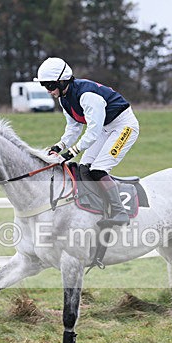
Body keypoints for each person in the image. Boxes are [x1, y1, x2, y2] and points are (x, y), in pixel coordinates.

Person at [34, 57, 139, 227]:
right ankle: (98, 208)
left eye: (50, 86)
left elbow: (92, 131)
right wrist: (59, 146)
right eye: (44, 86)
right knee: (84, 168)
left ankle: (120, 212)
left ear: (62, 82)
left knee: (98, 169)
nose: (48, 90)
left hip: (124, 127)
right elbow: (74, 128)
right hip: (105, 129)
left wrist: (70, 153)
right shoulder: (64, 98)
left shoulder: (87, 96)